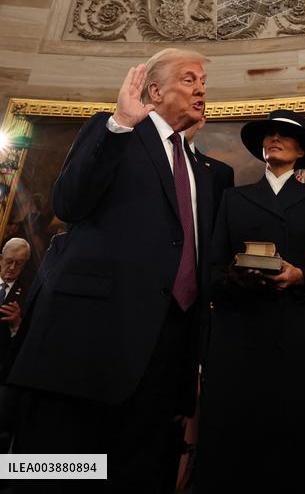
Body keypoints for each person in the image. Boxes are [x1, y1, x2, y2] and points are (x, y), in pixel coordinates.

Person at [7, 48, 214, 492]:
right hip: (87, 346)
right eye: (189, 79)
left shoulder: (199, 168)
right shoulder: (116, 131)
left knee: (135, 477)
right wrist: (119, 124)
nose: (201, 89)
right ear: (154, 90)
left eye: (203, 82)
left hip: (162, 359)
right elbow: (69, 203)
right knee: (53, 472)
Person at [195, 109, 305, 494]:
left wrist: (300, 276)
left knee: (291, 449)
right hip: (238, 339)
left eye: (284, 135)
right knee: (233, 447)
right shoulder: (234, 198)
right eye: (269, 134)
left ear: (301, 151)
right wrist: (236, 278)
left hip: (296, 340)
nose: (273, 139)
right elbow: (211, 274)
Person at [183, 113, 234, 216]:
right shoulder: (150, 163)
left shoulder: (222, 173)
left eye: (185, 115)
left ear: (200, 121)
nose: (179, 120)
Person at [0, 239, 31, 366]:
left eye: (18, 264)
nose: (12, 268)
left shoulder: (28, 295)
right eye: (9, 261)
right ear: (1, 259)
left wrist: (17, 325)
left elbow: (27, 342)